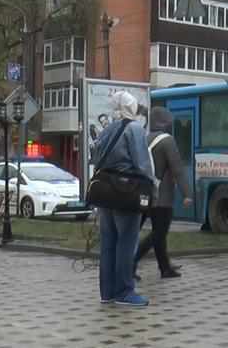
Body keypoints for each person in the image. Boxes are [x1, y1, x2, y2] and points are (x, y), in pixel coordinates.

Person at [92, 91, 155, 307]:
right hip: (126, 193)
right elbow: (142, 163)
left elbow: (96, 159)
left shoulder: (106, 129)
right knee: (127, 243)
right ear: (132, 107)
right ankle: (125, 292)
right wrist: (151, 184)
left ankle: (107, 292)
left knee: (108, 243)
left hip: (105, 194)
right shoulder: (135, 128)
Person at [134, 107, 194, 280]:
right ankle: (130, 262)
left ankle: (165, 268)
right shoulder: (167, 141)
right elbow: (178, 169)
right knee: (159, 233)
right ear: (166, 122)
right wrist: (187, 193)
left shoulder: (143, 139)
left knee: (155, 233)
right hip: (162, 197)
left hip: (144, 194)